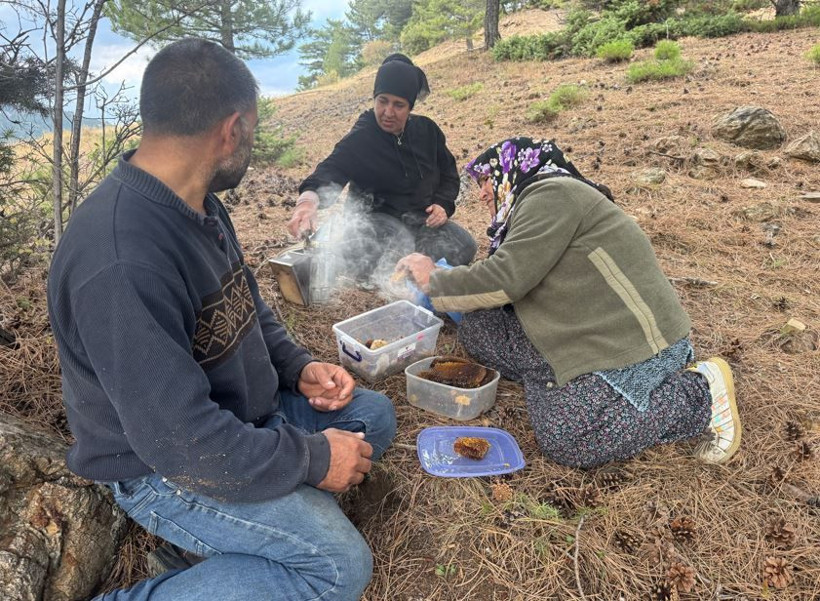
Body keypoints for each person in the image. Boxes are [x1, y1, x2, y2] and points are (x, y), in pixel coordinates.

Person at [47, 39, 396, 601]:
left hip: (242, 419)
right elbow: (180, 442)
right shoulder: (120, 261)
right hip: (167, 468)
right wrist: (310, 460)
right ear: (232, 130)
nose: (249, 144)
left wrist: (298, 368)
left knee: (372, 417)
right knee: (338, 567)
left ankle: (229, 545)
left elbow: (245, 303)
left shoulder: (198, 202)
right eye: (251, 131)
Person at [397, 137, 742, 468]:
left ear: (513, 169)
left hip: (634, 341)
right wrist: (440, 289)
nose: (483, 192)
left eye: (487, 179)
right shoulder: (535, 203)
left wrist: (435, 279)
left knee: (568, 438)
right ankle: (556, 379)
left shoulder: (551, 195)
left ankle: (699, 393)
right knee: (477, 328)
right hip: (580, 322)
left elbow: (507, 278)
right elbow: (510, 276)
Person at [287, 53, 477, 283]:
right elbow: (333, 167)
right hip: (375, 224)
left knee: (465, 245)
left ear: (410, 106)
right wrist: (307, 203)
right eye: (382, 101)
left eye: (398, 105)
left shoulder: (428, 131)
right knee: (393, 241)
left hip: (421, 223)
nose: (388, 112)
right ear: (374, 98)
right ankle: (405, 269)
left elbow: (449, 175)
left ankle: (410, 267)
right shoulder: (363, 136)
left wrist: (442, 204)